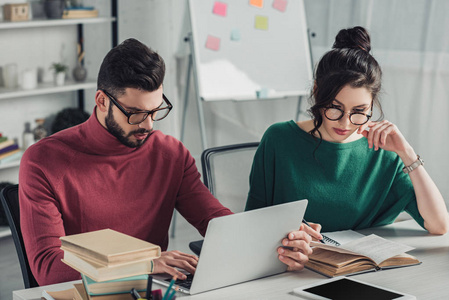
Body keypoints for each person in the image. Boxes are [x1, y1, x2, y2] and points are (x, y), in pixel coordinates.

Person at [19, 38, 320, 286]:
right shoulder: (44, 161)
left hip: (152, 291)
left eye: (156, 110)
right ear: (102, 101)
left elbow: (215, 221)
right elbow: (48, 267)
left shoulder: (169, 153)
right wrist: (145, 263)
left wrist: (279, 239)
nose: (149, 125)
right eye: (136, 114)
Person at [245, 27, 449, 235]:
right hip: (294, 265)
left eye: (359, 111)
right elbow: (252, 225)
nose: (345, 123)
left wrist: (407, 153)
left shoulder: (384, 150)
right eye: (335, 108)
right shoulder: (279, 140)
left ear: (372, 105)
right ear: (317, 92)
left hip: (363, 266)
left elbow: (439, 225)